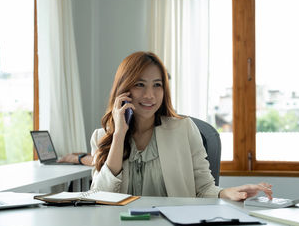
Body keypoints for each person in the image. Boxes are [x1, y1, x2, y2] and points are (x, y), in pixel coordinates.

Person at [90, 51, 272, 200]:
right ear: (124, 89)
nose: (150, 95)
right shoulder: (102, 137)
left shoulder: (184, 129)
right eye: (140, 85)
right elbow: (100, 197)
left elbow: (204, 188)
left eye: (157, 85)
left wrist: (227, 193)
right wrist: (119, 135)